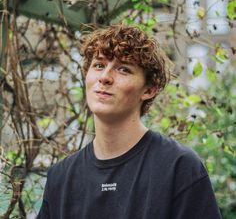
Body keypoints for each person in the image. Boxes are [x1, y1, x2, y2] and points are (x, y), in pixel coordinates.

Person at [37, 24, 222, 218]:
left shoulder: (180, 168)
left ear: (149, 89)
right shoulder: (61, 177)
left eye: (123, 69)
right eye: (99, 65)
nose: (105, 77)